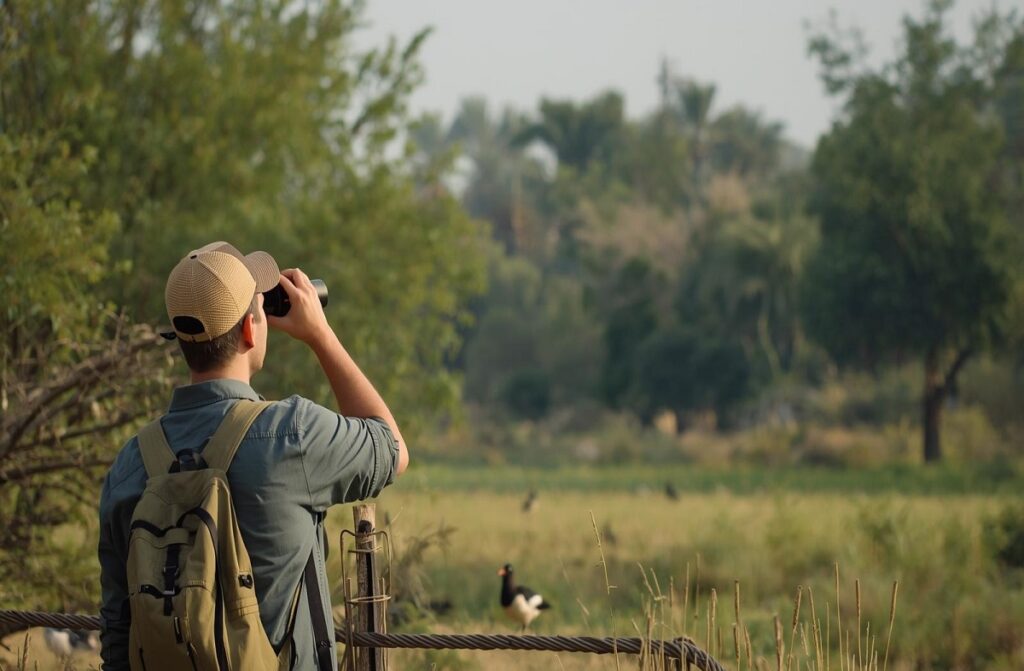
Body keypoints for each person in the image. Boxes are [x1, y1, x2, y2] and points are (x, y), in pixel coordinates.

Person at [98, 241, 408, 670]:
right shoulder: (292, 434)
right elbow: (391, 449)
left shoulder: (130, 464)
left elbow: (118, 633)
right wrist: (320, 335)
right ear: (249, 329)